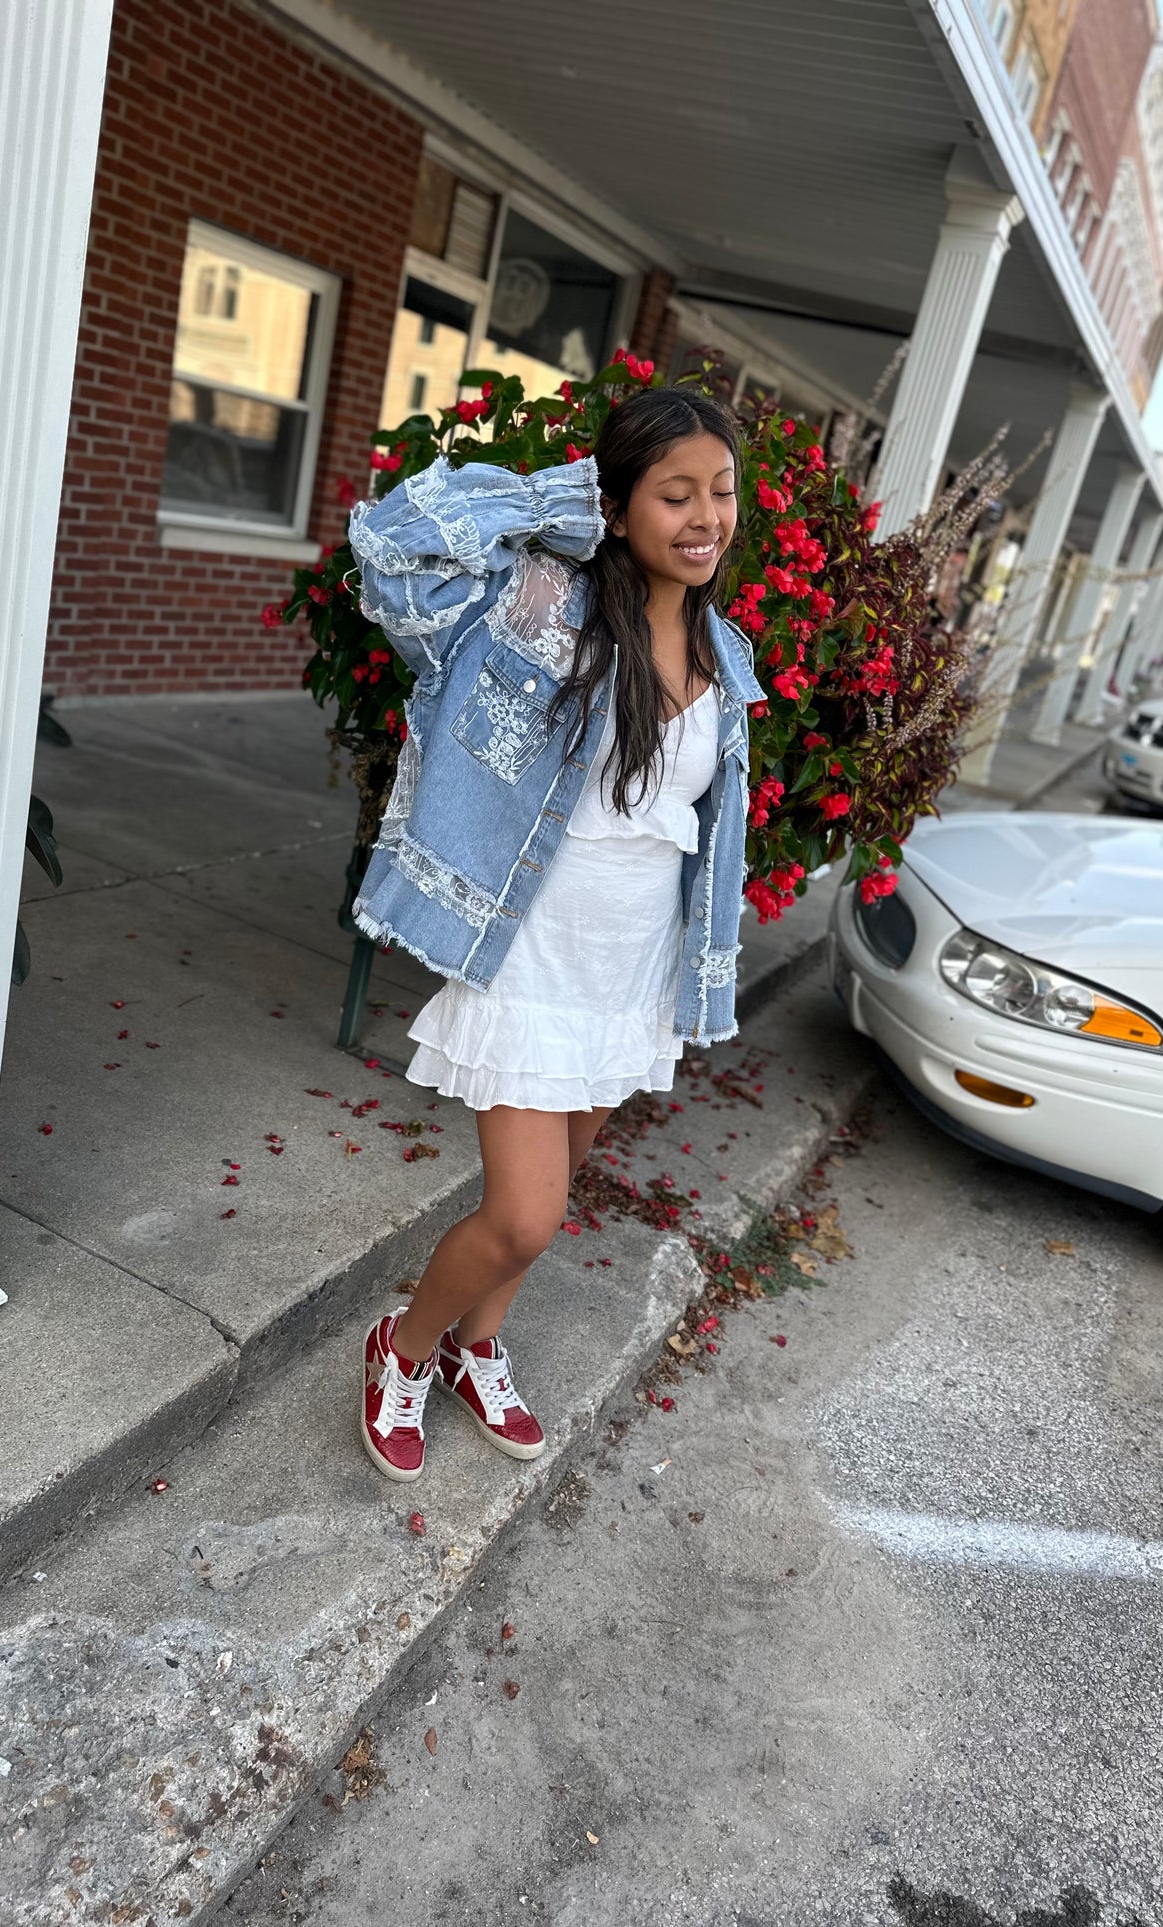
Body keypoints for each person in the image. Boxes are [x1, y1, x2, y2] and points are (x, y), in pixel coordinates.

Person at [346, 385, 764, 1482]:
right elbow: (391, 546)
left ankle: (476, 1346)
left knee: (558, 1191)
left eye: (719, 492)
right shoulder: (544, 607)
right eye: (672, 494)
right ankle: (406, 1346)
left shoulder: (727, 654)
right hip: (530, 949)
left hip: (627, 965)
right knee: (523, 1216)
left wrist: (693, 978)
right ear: (617, 502)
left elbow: (699, 833)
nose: (704, 516)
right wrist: (564, 494)